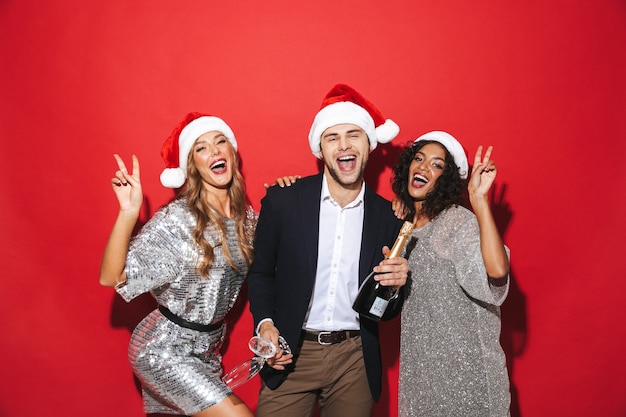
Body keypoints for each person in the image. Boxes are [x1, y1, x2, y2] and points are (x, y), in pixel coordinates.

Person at [247, 84, 409, 417]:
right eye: (332, 137)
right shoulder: (284, 201)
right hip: (291, 353)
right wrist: (265, 325)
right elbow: (261, 273)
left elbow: (386, 312)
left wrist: (395, 289)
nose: (344, 145)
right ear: (320, 148)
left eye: (354, 135)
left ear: (370, 144)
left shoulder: (389, 217)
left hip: (355, 358)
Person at [99, 112, 260, 417]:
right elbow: (112, 277)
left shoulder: (247, 221)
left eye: (220, 141)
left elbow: (278, 266)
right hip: (164, 349)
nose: (214, 151)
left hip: (209, 349)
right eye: (201, 148)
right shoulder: (177, 220)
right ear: (192, 166)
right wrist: (128, 212)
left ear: (232, 152)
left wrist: (289, 193)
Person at [390, 131, 511, 416]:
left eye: (436, 164)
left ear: (445, 179)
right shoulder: (402, 227)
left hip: (467, 377)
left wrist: (479, 201)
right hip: (421, 375)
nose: (423, 167)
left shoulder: (456, 221)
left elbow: (496, 272)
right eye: (419, 159)